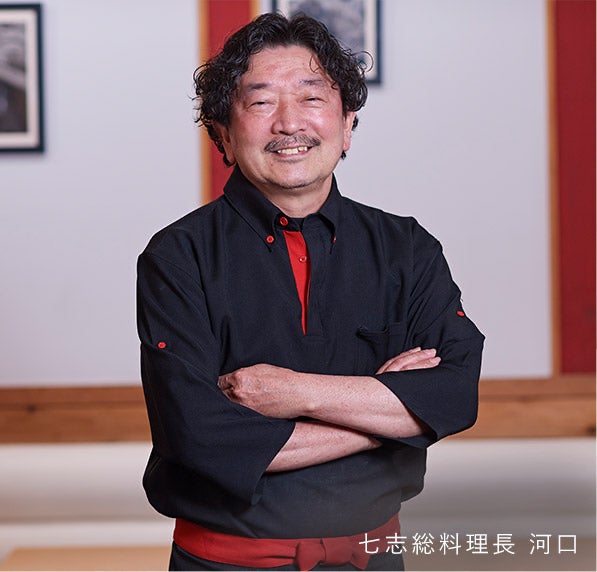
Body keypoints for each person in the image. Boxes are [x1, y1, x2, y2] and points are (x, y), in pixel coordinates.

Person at [137, 12, 484, 572]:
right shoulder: (178, 256)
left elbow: (454, 396)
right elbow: (201, 438)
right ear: (223, 134)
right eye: (260, 101)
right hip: (226, 564)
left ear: (347, 125)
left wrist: (294, 392)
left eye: (311, 97)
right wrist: (388, 415)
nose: (289, 122)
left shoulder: (407, 247)